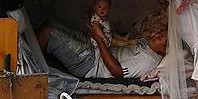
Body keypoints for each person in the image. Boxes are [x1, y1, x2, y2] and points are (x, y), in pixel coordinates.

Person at [38, 17, 167, 79]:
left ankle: (32, 74)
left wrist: (99, 40)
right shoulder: (146, 44)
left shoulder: (147, 61)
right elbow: (124, 41)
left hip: (90, 63)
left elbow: (117, 72)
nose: (157, 35)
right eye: (160, 33)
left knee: (48, 33)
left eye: (161, 38)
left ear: (163, 49)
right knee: (50, 22)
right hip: (93, 48)